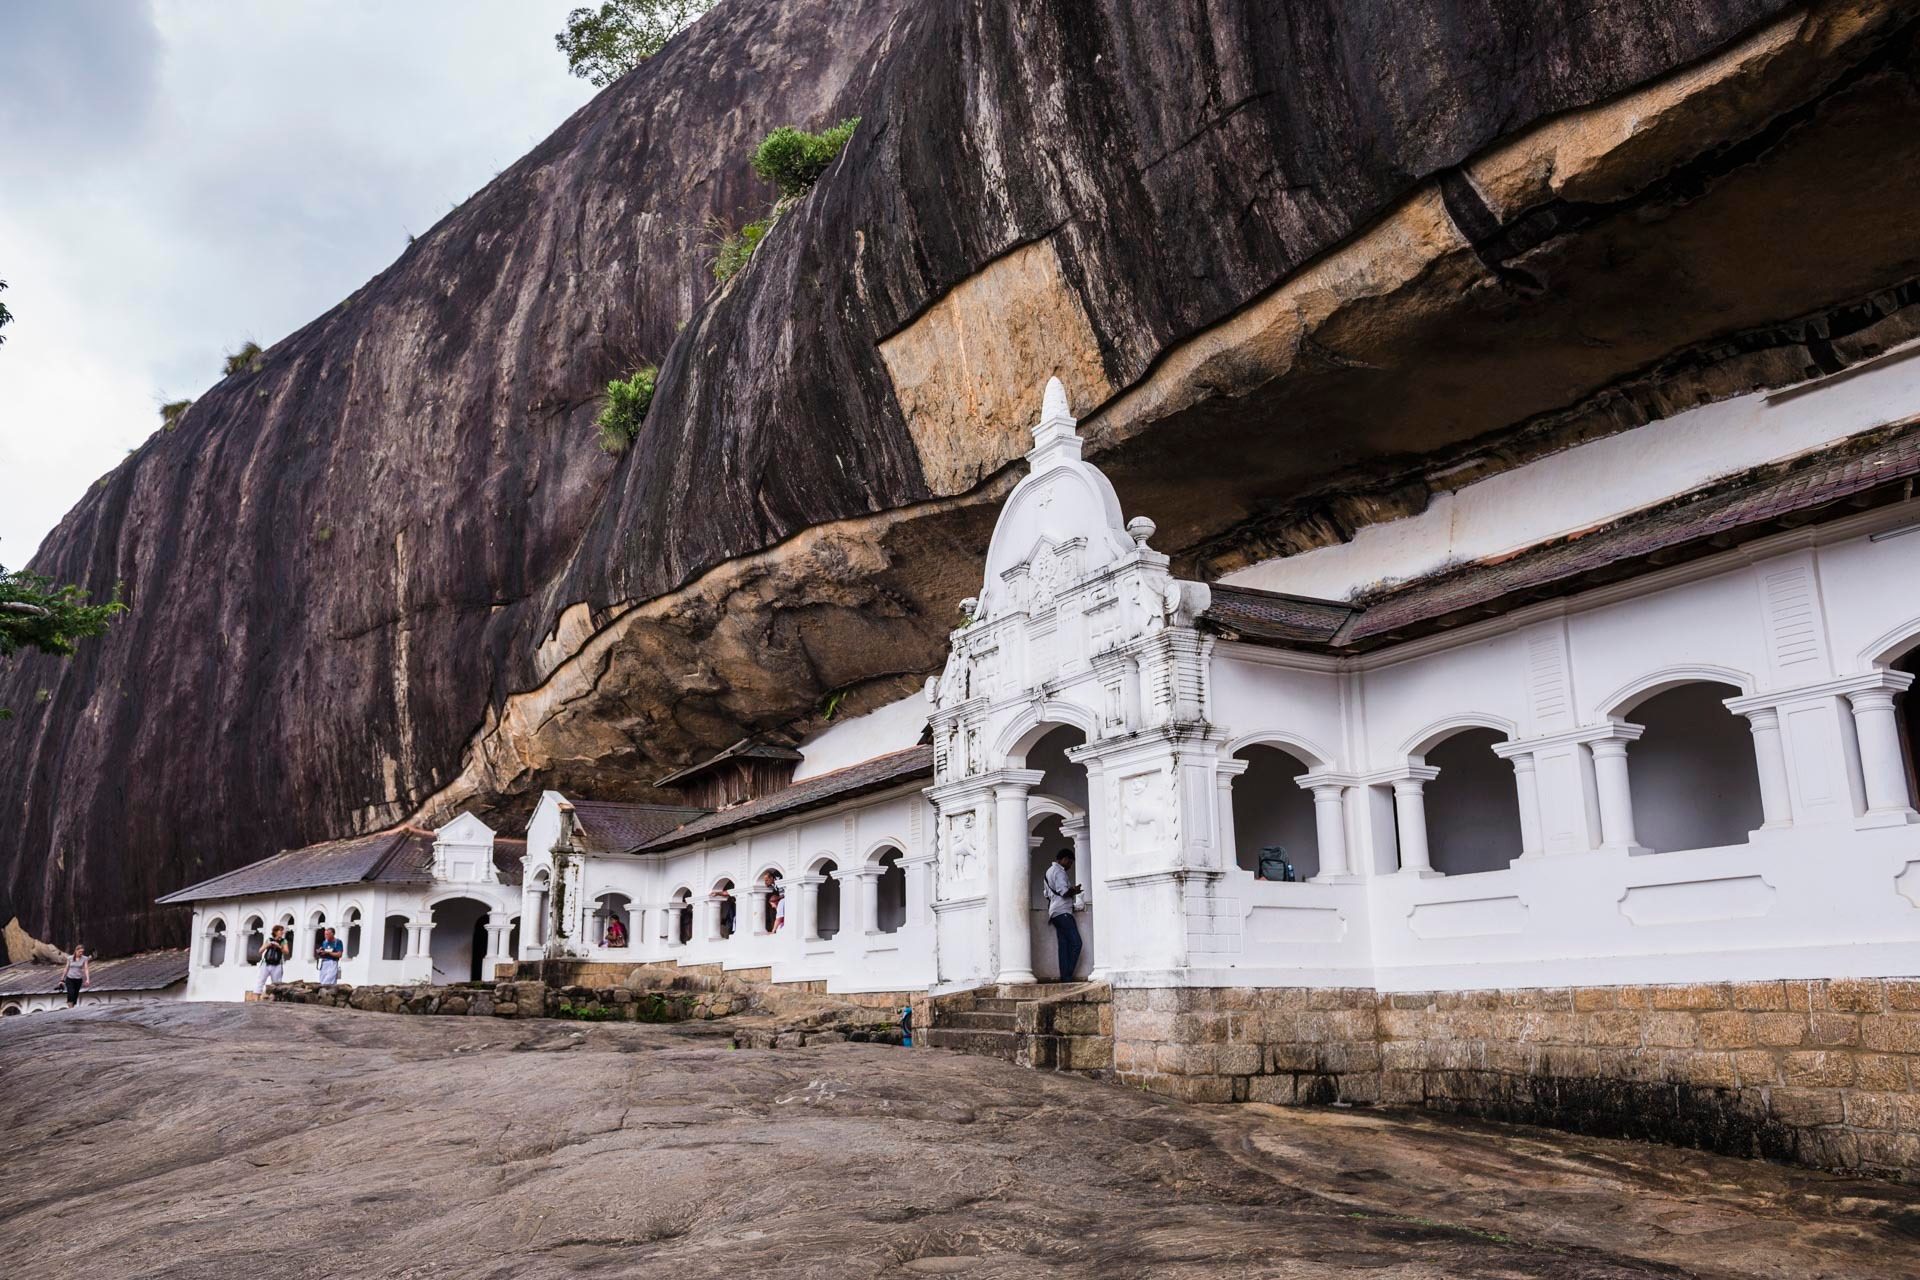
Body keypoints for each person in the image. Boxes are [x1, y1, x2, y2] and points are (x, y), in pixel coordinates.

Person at [1044, 849, 1083, 981]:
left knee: (1064, 946)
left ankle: (1065, 977)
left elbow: (1046, 894)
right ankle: (1067, 975)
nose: (1070, 866)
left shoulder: (1049, 871)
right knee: (1076, 943)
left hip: (1054, 913)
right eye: (1070, 862)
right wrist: (1074, 890)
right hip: (1063, 911)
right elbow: (1064, 892)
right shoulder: (1059, 872)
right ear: (1064, 859)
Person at [256, 925, 289, 995]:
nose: (282, 932)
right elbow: (260, 951)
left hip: (277, 964)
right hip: (266, 964)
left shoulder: (283, 941)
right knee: (261, 980)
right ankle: (257, 998)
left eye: (282, 931)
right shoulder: (269, 940)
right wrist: (268, 945)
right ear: (275, 932)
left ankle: (275, 997)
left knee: (277, 983)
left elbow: (286, 952)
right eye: (280, 930)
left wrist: (279, 946)